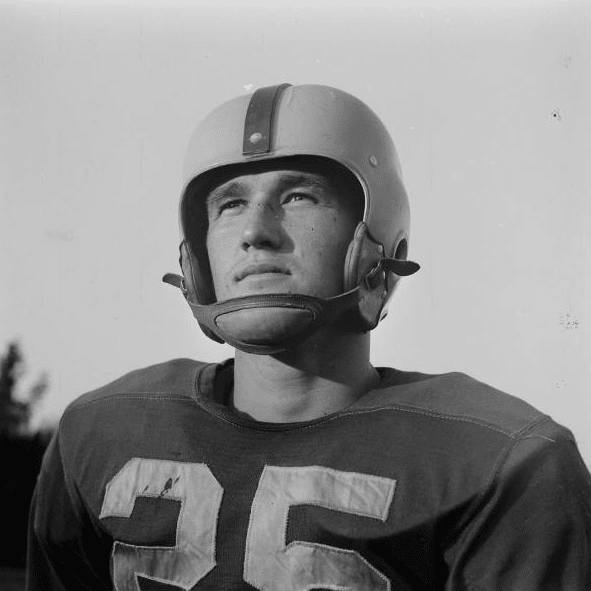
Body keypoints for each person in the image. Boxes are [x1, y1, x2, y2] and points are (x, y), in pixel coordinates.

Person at [27, 83, 591, 591]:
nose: (254, 233)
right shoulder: (99, 433)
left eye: (299, 197)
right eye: (229, 205)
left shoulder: (502, 460)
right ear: (197, 254)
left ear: (374, 238)